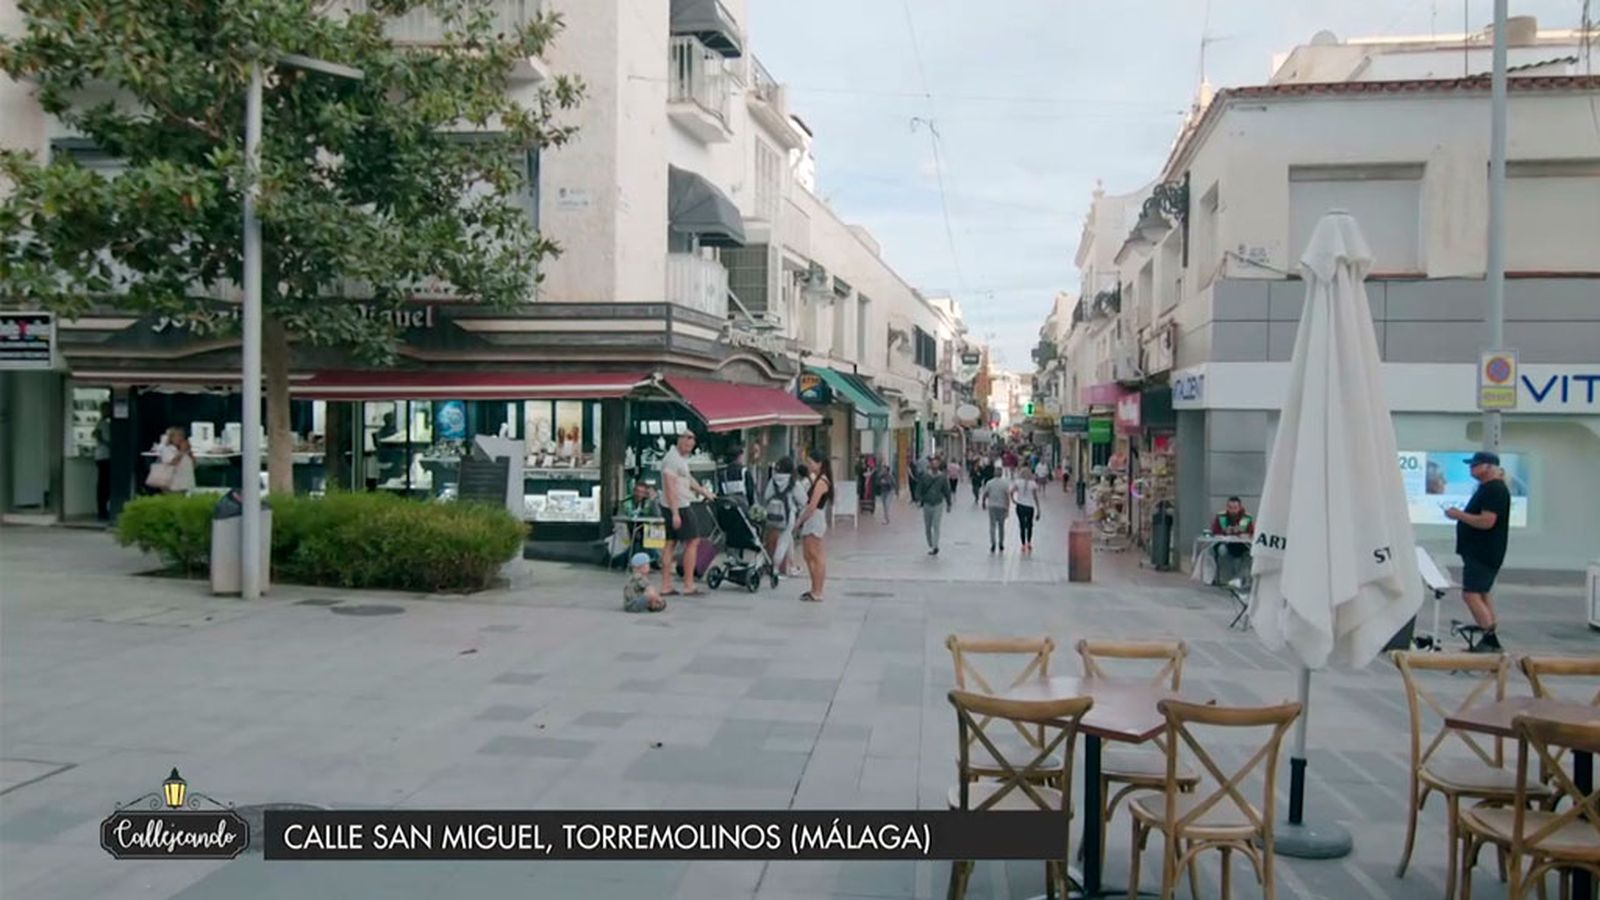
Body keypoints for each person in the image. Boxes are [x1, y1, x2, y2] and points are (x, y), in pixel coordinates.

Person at [1446, 452, 1512, 652]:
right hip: (1479, 551)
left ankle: (1490, 638)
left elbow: (1487, 521)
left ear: (1488, 467)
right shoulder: (1487, 489)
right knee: (1481, 593)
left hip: (1483, 552)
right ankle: (1489, 636)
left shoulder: (1495, 490)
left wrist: (1459, 515)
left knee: (1471, 594)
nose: (1471, 468)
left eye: (1475, 465)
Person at [659, 430, 715, 597]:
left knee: (670, 543)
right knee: (693, 540)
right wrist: (675, 512)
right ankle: (688, 584)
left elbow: (687, 478)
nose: (689, 446)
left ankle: (666, 585)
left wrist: (704, 492)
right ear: (679, 440)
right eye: (687, 442)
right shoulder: (672, 460)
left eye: (692, 443)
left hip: (675, 504)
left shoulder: (679, 459)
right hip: (679, 505)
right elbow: (669, 486)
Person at [795, 447, 833, 603]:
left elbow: (812, 505)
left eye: (811, 462)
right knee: (808, 554)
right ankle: (813, 588)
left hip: (814, 518)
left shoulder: (822, 481)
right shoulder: (816, 479)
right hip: (812, 518)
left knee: (815, 555)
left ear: (819, 463)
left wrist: (800, 521)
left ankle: (818, 590)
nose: (809, 465)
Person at [762, 457, 806, 577]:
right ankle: (775, 568)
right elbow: (803, 501)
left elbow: (766, 496)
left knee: (788, 540)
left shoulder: (773, 480)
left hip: (772, 515)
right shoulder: (794, 482)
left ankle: (792, 566)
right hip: (787, 516)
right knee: (783, 542)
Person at [1209, 497, 1255, 584]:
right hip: (1225, 544)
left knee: (1249, 554)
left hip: (1242, 545)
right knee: (1221, 551)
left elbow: (1252, 533)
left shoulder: (1247, 518)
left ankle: (1241, 579)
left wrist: (1243, 534)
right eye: (1230, 507)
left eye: (1235, 508)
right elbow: (1214, 532)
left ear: (1240, 508)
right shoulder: (1221, 517)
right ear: (1227, 507)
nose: (1232, 510)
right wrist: (1224, 531)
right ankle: (1223, 579)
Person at [915, 455, 954, 556]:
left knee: (936, 526)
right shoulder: (925, 476)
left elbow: (946, 490)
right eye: (933, 463)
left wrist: (949, 503)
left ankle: (935, 546)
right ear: (930, 465)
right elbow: (919, 489)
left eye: (937, 463)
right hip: (927, 503)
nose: (935, 465)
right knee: (928, 527)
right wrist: (918, 500)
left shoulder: (942, 477)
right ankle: (931, 543)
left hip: (938, 503)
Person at [981, 470, 1013, 554]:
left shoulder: (989, 483)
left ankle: (993, 543)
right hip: (1002, 506)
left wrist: (983, 502)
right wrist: (1008, 508)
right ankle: (1001, 543)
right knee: (1001, 526)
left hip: (992, 506)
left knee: (992, 525)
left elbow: (985, 494)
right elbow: (1007, 496)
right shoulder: (1005, 484)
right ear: (1001, 474)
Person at [1011, 469, 1042, 554]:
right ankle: (1029, 542)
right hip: (1030, 506)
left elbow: (1011, 491)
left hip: (1020, 505)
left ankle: (1023, 544)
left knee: (1021, 525)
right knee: (1029, 525)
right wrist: (1038, 509)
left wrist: (1013, 499)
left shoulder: (1017, 482)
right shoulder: (1033, 484)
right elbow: (1035, 497)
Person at [94, 403, 113, 520]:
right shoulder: (103, 423)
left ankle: (103, 510)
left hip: (103, 456)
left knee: (104, 484)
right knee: (104, 485)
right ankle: (102, 511)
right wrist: (112, 445)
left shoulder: (103, 423)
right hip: (105, 456)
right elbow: (100, 437)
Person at [871, 457, 896, 525]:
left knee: (887, 505)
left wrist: (886, 482)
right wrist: (880, 481)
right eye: (882, 469)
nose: (883, 470)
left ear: (887, 470)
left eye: (884, 469)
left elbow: (893, 484)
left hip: (889, 492)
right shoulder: (880, 475)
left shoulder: (890, 476)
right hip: (883, 492)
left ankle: (886, 519)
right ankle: (887, 519)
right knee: (884, 506)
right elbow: (876, 482)